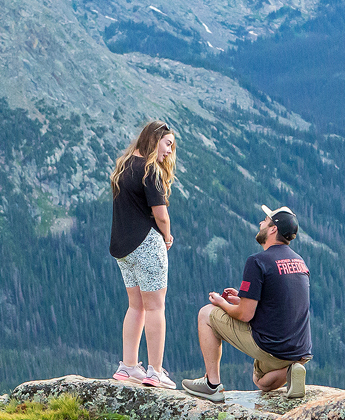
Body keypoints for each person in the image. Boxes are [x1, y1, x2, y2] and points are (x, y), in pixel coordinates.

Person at [182, 204, 311, 402]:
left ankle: (212, 385)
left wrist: (221, 302)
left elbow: (244, 315)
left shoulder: (258, 261)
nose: (261, 223)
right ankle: (292, 369)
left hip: (272, 347)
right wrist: (243, 298)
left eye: (265, 221)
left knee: (206, 314)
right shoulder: (299, 261)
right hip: (300, 350)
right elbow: (279, 302)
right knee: (260, 381)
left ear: (273, 229)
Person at [109, 120, 177, 389]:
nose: (169, 151)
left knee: (135, 305)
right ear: (154, 140)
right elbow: (160, 214)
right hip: (147, 244)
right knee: (155, 307)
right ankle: (155, 371)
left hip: (122, 248)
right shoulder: (151, 170)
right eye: (168, 144)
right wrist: (168, 236)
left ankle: (128, 366)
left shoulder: (124, 166)